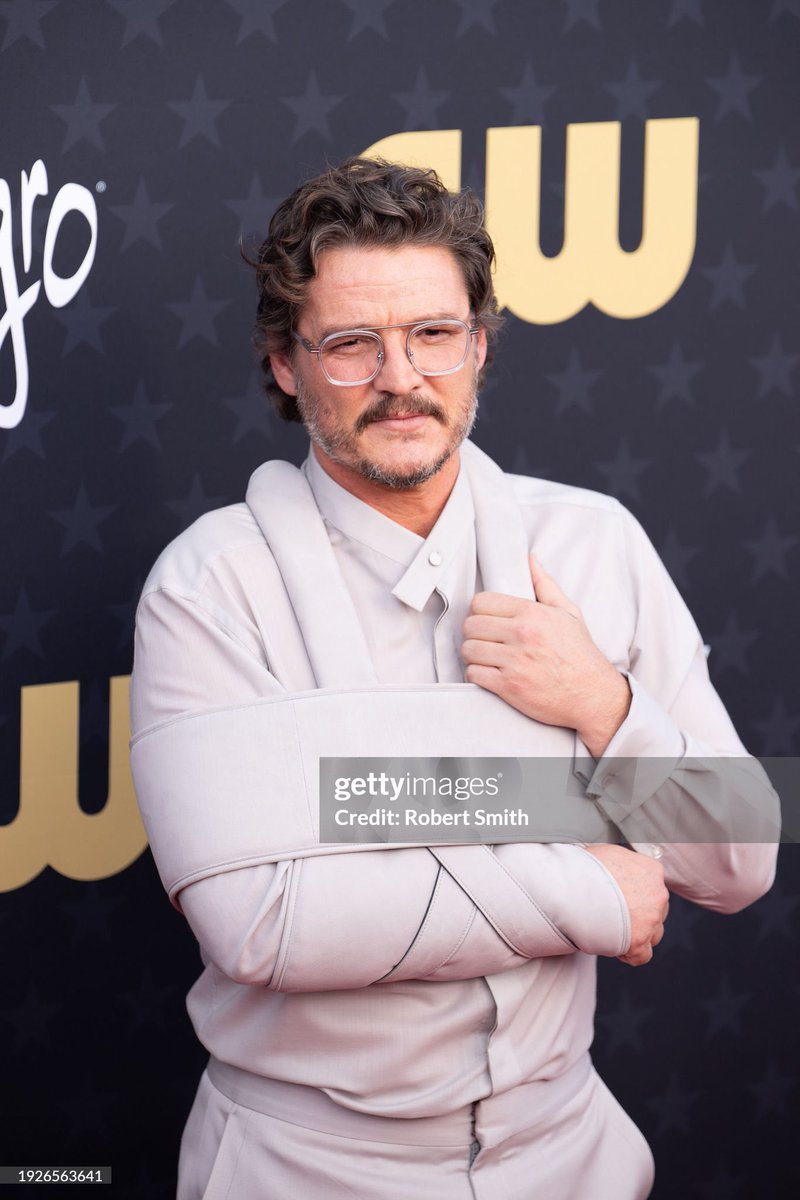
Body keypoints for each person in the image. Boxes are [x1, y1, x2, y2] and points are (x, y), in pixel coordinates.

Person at [130, 158, 779, 1200]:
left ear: (477, 346)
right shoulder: (210, 588)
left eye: (434, 334)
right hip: (304, 1168)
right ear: (285, 365)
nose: (400, 377)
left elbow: (739, 859)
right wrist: (584, 890)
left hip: (569, 1153)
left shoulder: (594, 543)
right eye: (350, 344)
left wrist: (601, 707)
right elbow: (262, 924)